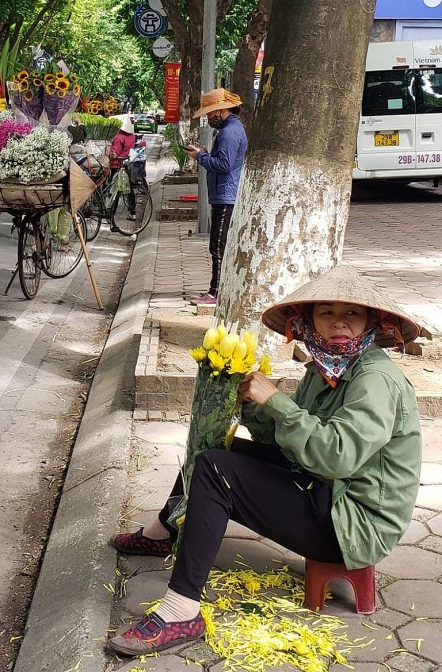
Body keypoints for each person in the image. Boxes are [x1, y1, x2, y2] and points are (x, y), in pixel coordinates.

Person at [108, 264, 422, 657]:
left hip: (352, 523)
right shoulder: (324, 369)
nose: (339, 323)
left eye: (352, 314)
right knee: (215, 453)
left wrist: (276, 401)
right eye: (326, 313)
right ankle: (164, 532)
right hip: (325, 490)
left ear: (371, 322)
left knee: (216, 471)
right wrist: (254, 407)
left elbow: (335, 457)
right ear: (308, 322)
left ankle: (180, 610)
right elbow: (293, 444)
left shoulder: (374, 379)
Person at [184, 88, 247, 306]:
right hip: (223, 193)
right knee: (220, 245)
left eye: (211, 113)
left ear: (222, 110)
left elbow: (224, 165)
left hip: (225, 196)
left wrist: (200, 157)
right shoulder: (231, 129)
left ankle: (216, 291)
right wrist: (205, 154)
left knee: (218, 246)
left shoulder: (230, 132)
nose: (209, 118)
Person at [110, 115, 145, 222]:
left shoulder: (119, 137)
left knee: (115, 190)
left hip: (116, 166)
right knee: (128, 190)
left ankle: (111, 213)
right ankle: (133, 212)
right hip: (127, 165)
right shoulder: (131, 136)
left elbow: (114, 154)